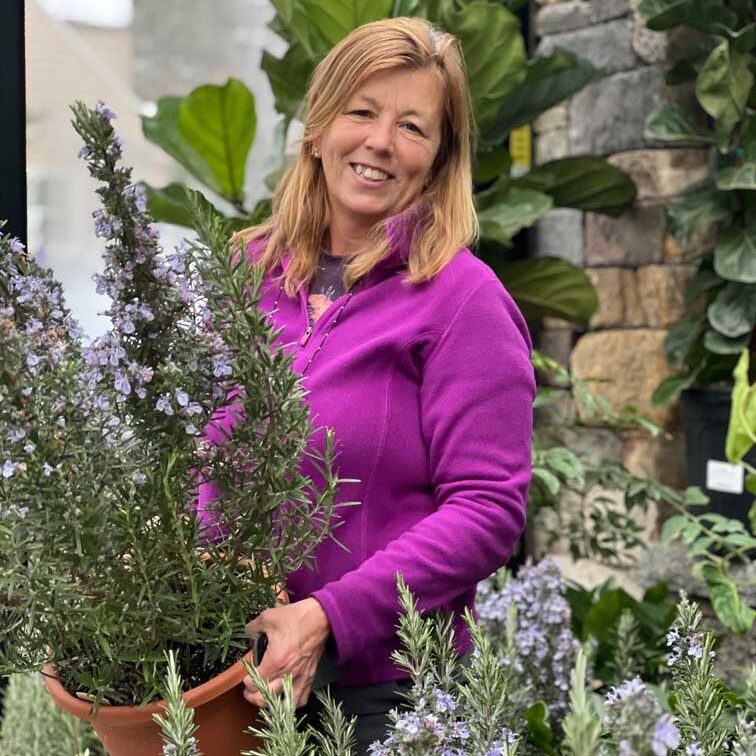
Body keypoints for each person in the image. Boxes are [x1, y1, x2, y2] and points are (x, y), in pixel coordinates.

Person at [204, 16, 535, 753]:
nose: (381, 142)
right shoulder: (242, 273)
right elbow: (197, 453)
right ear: (318, 129)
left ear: (438, 159)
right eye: (362, 111)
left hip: (387, 698)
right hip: (226, 676)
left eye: (412, 126)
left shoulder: (463, 301)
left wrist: (327, 616)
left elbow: (487, 509)